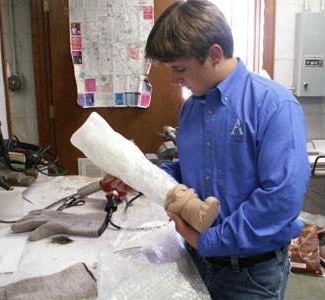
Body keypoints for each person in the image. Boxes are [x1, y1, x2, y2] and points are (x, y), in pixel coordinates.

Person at [109, 0, 310, 299]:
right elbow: (187, 172)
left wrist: (209, 241)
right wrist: (139, 175)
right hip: (196, 258)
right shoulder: (192, 108)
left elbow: (280, 199)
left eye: (179, 68)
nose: (174, 79)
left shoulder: (273, 105)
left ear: (214, 54)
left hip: (250, 274)